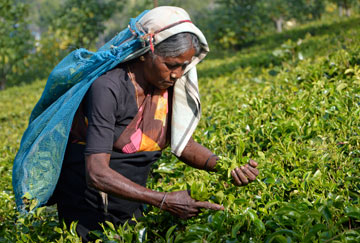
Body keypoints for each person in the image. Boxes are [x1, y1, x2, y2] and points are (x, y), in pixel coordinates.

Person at [22, 6, 259, 241]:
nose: (177, 74)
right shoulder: (108, 88)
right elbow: (96, 172)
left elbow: (181, 143)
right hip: (87, 208)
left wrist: (227, 167)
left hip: (132, 201)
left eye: (184, 66)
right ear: (146, 52)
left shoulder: (166, 85)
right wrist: (164, 200)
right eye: (171, 64)